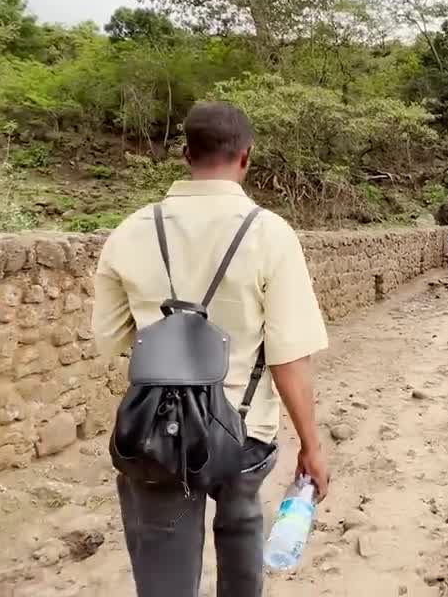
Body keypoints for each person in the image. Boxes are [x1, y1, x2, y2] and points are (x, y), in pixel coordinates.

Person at [92, 101, 330, 597]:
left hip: (160, 430)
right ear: (246, 157)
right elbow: (288, 358)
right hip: (243, 430)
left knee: (163, 558)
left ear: (185, 154)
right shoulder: (270, 234)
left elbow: (111, 339)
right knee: (242, 523)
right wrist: (311, 444)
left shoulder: (132, 230)